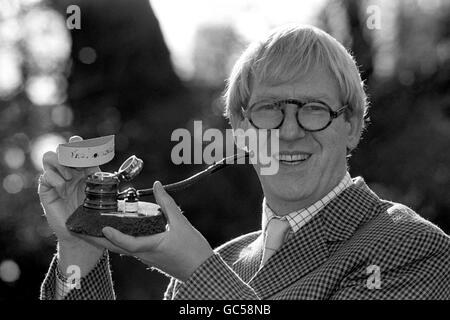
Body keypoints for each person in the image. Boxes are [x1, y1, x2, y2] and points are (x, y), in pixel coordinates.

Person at [38, 24, 450, 300]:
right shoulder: (218, 265)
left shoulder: (413, 247)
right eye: (269, 108)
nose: (289, 131)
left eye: (315, 108)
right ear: (240, 128)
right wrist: (79, 245)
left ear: (353, 127)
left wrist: (198, 271)